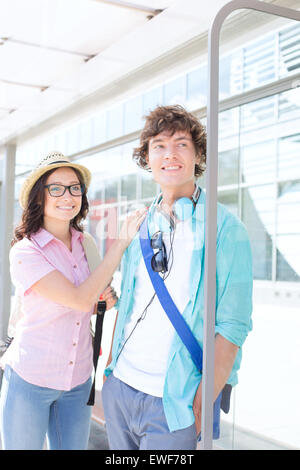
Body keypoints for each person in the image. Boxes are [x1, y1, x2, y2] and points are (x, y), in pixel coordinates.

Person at [102, 105, 253, 450]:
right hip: (120, 388)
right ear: (147, 158)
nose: (170, 154)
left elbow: (232, 326)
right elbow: (129, 304)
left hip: (175, 403)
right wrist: (110, 370)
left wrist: (200, 404)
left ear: (198, 154)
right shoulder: (137, 223)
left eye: (181, 144)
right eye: (159, 145)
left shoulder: (228, 231)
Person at [0, 151, 146, 450]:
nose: (68, 195)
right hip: (31, 379)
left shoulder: (86, 243)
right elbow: (79, 299)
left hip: (78, 380)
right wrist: (120, 244)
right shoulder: (25, 252)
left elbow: (92, 302)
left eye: (75, 187)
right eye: (56, 188)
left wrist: (107, 298)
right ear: (39, 197)